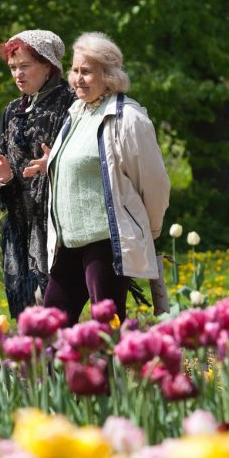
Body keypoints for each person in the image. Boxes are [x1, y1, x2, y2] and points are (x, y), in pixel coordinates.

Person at [32, 32, 170, 323]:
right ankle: (57, 371)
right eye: (74, 70)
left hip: (106, 242)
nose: (77, 79)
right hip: (68, 242)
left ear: (108, 76)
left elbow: (154, 183)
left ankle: (111, 371)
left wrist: (149, 230)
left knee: (106, 328)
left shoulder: (128, 119)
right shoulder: (76, 114)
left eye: (86, 71)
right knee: (51, 327)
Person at [0, 30, 76, 319]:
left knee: (58, 315)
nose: (17, 75)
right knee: (28, 317)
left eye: (25, 66)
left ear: (48, 66)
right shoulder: (12, 110)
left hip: (56, 227)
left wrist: (55, 164)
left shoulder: (71, 105)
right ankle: (35, 365)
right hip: (19, 225)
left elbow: (82, 162)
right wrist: (0, 174)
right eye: (13, 68)